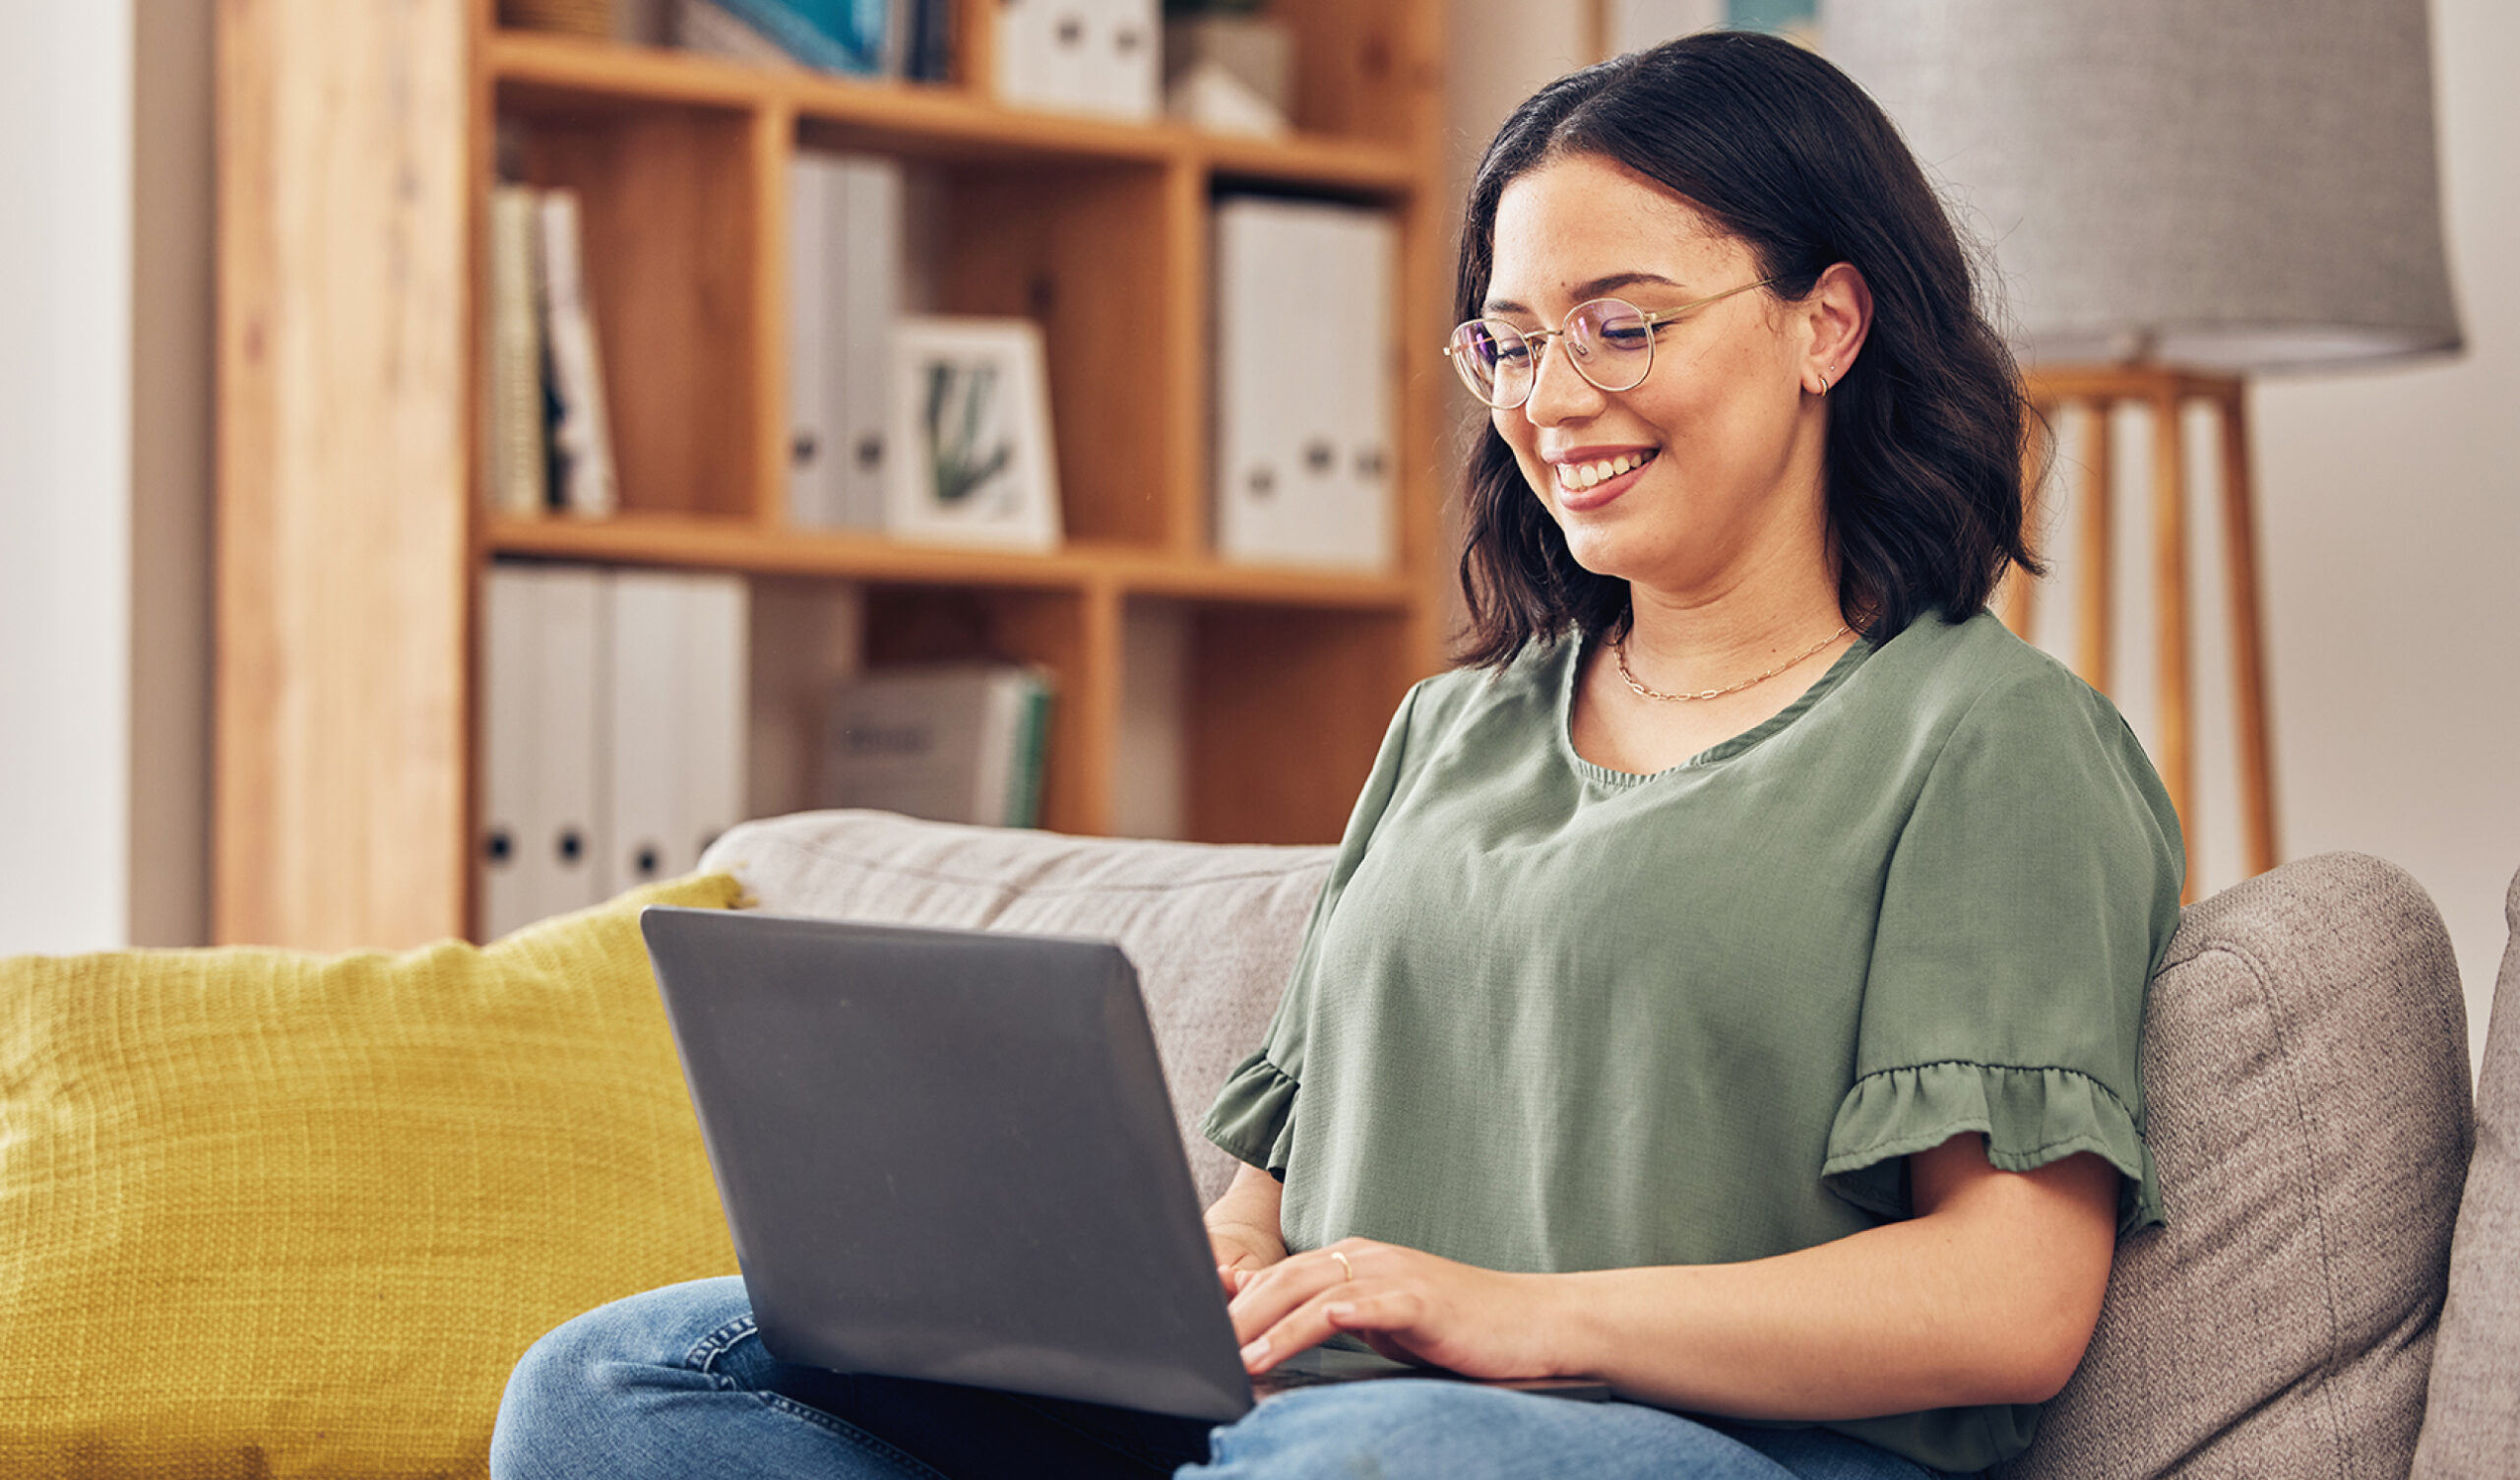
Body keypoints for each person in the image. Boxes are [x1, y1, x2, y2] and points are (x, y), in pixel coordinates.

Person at [491, 29, 2181, 1480]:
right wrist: (1172, 1308)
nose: (1549, 397)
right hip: (1305, 1421)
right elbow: (1267, 1199)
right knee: (614, 1387)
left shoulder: (1991, 743)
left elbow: (2011, 1300)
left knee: (1367, 1454)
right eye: (1510, 342)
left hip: (1673, 1439)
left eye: (1622, 322)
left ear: (1828, 323)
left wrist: (1516, 1320)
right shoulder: (1455, 730)